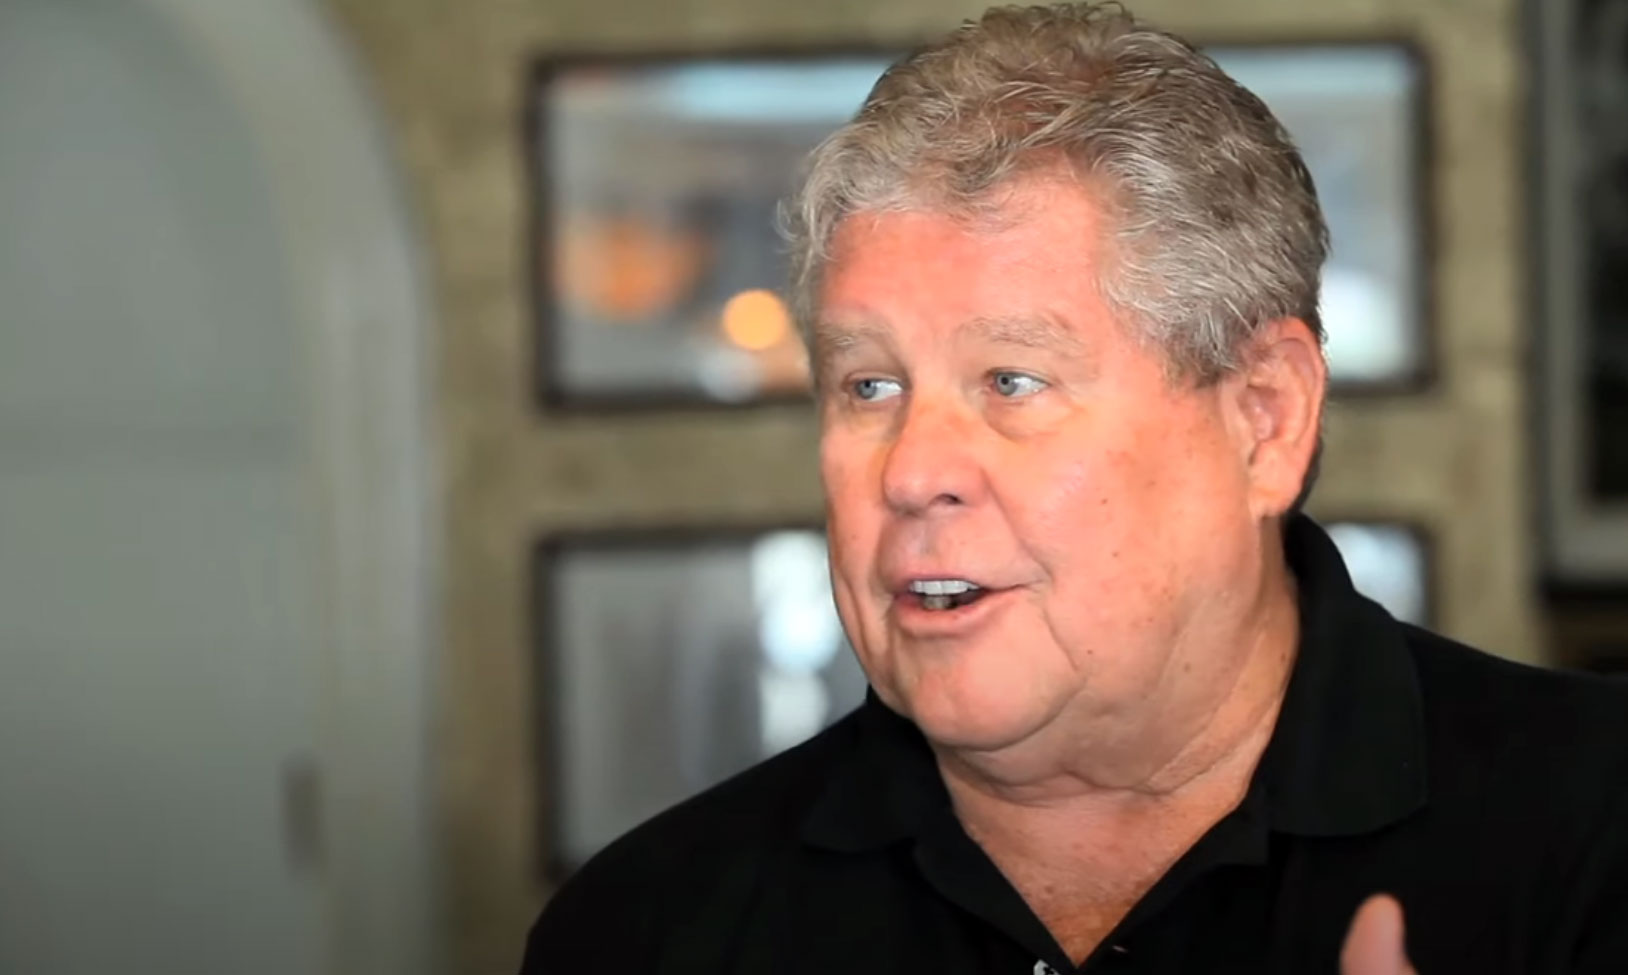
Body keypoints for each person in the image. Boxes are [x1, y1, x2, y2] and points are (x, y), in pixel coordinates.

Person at [520, 5, 1628, 972]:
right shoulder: (644, 929)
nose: (911, 472)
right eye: (869, 386)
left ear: (1264, 419)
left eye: (1010, 381)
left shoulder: (1595, 831)